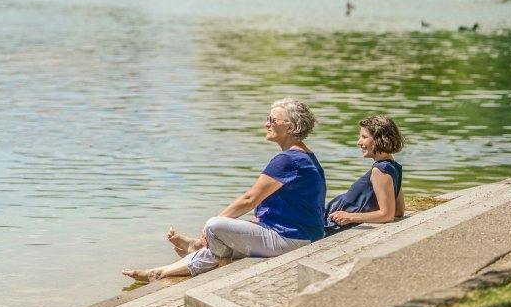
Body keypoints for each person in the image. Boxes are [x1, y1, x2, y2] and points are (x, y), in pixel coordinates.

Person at [122, 99, 327, 281]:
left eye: (272, 120)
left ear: (290, 127)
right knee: (222, 239)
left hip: (291, 238)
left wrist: (207, 231)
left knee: (215, 227)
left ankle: (211, 260)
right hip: (299, 234)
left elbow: (249, 199)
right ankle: (161, 272)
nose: (266, 124)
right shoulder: (304, 156)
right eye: (267, 118)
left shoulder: (288, 160)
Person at [324, 115, 404, 232]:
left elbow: (388, 215)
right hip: (329, 218)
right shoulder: (392, 166)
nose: (358, 142)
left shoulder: (380, 171)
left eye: (364, 137)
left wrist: (349, 216)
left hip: (332, 225)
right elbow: (399, 210)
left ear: (379, 139)